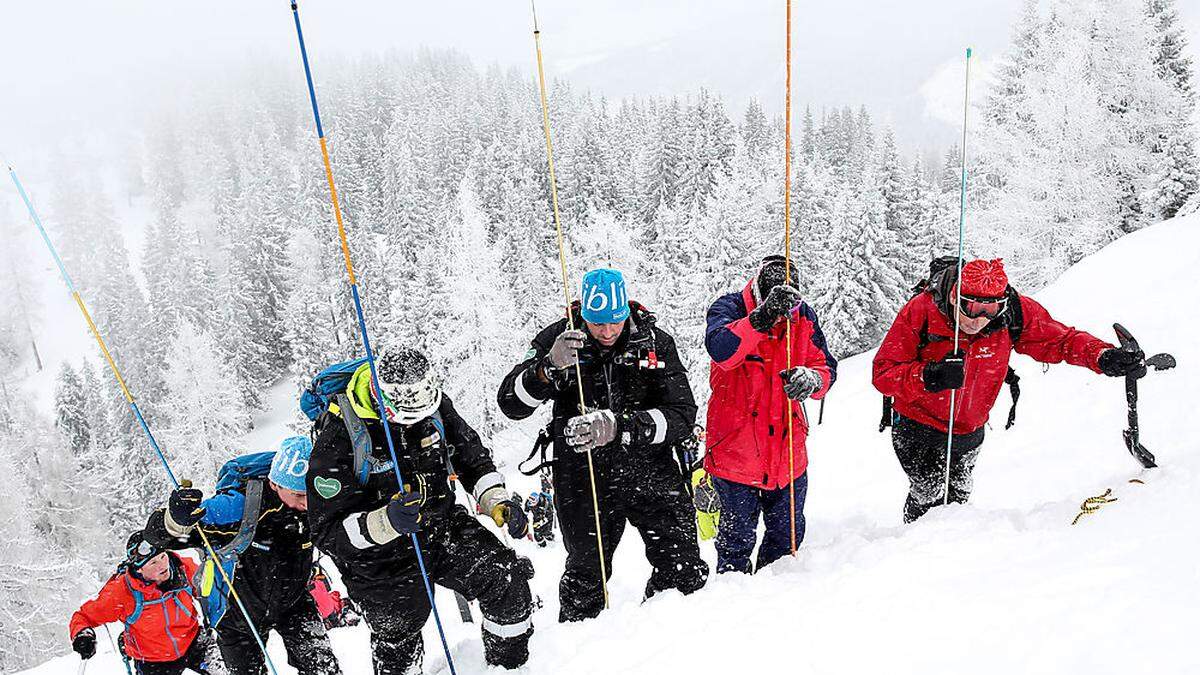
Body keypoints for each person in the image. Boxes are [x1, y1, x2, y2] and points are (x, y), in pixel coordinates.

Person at [497, 268, 708, 622]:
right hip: (582, 475)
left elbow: (682, 414)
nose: (608, 332)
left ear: (627, 310)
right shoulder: (558, 338)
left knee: (683, 565)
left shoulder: (654, 341)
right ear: (584, 316)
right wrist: (547, 368)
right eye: (598, 324)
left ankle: (669, 635)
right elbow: (510, 403)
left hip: (650, 469)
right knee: (586, 579)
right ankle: (581, 649)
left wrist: (621, 427)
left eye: (615, 322)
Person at [306, 347, 533, 673]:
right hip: (377, 556)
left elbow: (472, 458)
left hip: (440, 526)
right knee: (400, 628)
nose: (421, 420)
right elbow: (327, 532)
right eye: (411, 416)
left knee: (506, 580)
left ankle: (510, 666)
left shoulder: (434, 404)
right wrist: (384, 522)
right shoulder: (337, 439)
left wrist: (497, 500)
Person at [872, 258, 1146, 522]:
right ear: (955, 297)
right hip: (917, 426)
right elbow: (883, 373)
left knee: (959, 498)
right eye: (970, 307)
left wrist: (1102, 356)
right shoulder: (921, 311)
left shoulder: (1014, 313)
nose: (978, 319)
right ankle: (911, 547)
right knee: (927, 493)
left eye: (989, 310)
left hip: (970, 428)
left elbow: (1060, 340)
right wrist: (929, 376)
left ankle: (949, 546)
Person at [144, 437, 340, 675]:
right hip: (236, 615)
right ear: (275, 483)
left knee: (325, 670)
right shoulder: (241, 506)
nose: (308, 502)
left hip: (294, 604)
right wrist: (175, 518)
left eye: (311, 493)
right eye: (298, 494)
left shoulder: (320, 501)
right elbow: (161, 536)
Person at [702, 255, 837, 573]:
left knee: (787, 544)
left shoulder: (803, 316)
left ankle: (777, 607)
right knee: (735, 547)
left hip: (788, 456)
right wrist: (759, 319)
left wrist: (813, 379)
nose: (784, 318)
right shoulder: (729, 308)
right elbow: (722, 351)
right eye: (778, 309)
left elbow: (826, 366)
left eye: (788, 311)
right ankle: (734, 605)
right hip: (734, 456)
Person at [70, 532, 211, 675]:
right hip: (152, 660)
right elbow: (83, 616)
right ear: (139, 569)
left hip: (194, 642)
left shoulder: (183, 569)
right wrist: (83, 635)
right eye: (153, 563)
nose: (163, 565)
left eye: (163, 556)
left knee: (230, 664)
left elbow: (211, 591)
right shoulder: (122, 591)